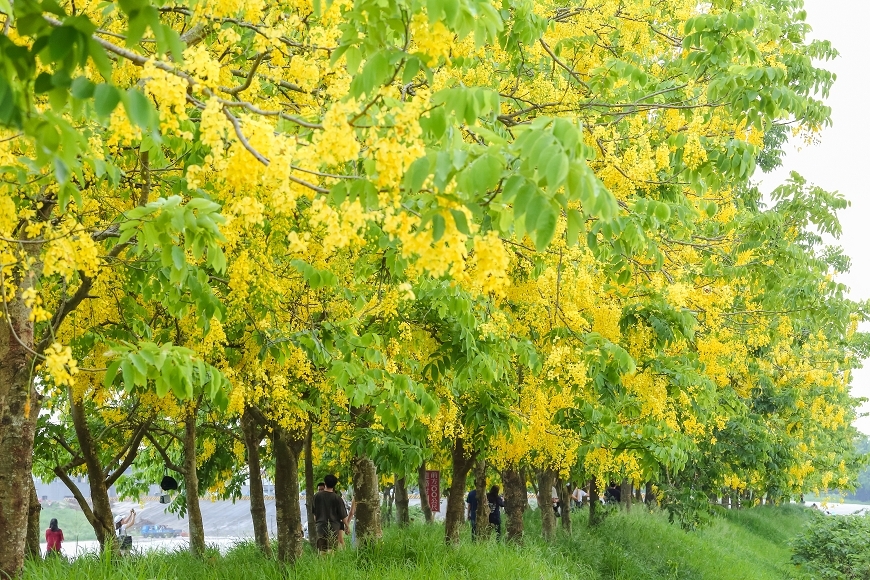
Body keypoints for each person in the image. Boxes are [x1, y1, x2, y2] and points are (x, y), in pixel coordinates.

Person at [313, 474, 347, 552]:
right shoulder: (337, 498)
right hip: (334, 528)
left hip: (320, 527)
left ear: (325, 483)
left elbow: (314, 515)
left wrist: (317, 524)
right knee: (331, 551)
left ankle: (322, 564)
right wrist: (347, 526)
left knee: (322, 552)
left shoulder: (316, 496)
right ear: (334, 485)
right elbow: (343, 516)